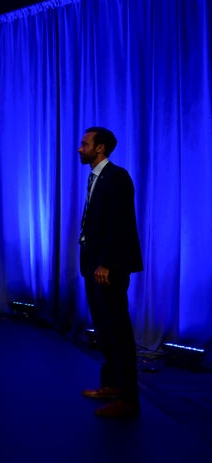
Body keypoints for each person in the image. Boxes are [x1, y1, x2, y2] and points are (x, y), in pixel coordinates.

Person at [77, 126, 143, 418]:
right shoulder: (97, 178)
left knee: (118, 330)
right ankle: (112, 384)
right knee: (104, 328)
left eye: (85, 144)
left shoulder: (116, 177)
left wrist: (106, 262)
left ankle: (129, 399)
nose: (80, 149)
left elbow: (121, 225)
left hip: (108, 267)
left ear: (100, 148)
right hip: (93, 266)